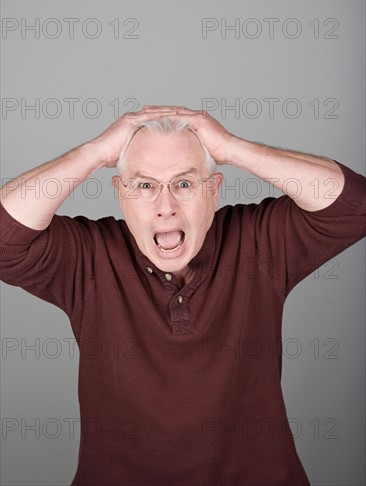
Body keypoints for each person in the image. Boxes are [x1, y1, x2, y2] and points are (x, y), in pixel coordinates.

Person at [0, 104, 365, 486]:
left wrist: (233, 147)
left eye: (185, 184)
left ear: (214, 191)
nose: (166, 207)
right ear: (120, 194)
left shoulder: (259, 244)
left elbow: (355, 208)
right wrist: (94, 153)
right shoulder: (89, 258)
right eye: (144, 185)